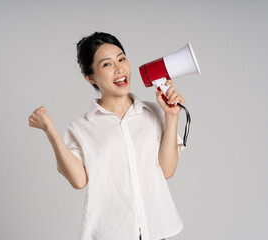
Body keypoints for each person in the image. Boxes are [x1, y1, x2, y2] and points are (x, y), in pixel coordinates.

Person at [28, 32, 186, 240]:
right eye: (106, 64)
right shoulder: (81, 127)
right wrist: (49, 130)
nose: (119, 69)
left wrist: (171, 116)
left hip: (156, 233)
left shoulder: (154, 112)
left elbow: (166, 170)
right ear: (90, 77)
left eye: (121, 59)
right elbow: (78, 180)